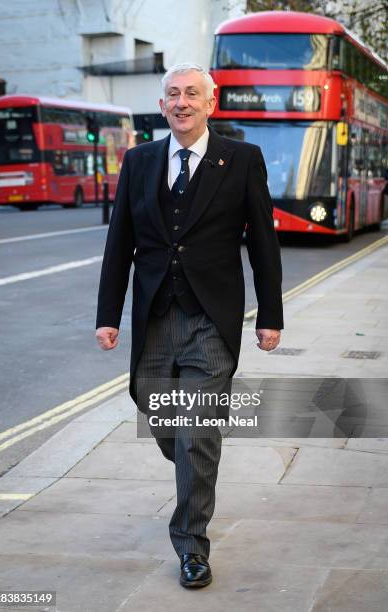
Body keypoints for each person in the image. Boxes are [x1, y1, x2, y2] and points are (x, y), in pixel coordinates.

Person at [95, 62, 283, 588]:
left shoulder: (242, 160)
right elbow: (120, 245)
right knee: (165, 424)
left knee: (197, 432)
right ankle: (188, 469)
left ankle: (191, 545)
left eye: (191, 94)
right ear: (162, 106)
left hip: (211, 320)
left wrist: (271, 315)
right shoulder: (138, 161)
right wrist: (108, 316)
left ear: (210, 103)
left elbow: (263, 244)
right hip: (155, 318)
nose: (181, 102)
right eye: (172, 94)